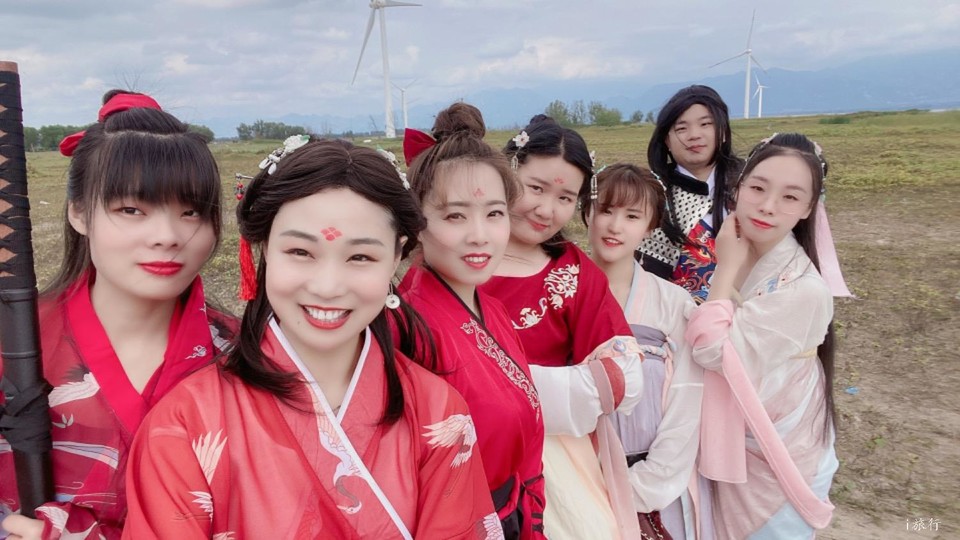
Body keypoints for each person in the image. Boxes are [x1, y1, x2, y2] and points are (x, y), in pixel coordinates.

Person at [122, 138, 502, 539]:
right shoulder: (185, 422)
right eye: (301, 252)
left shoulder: (438, 411)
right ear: (264, 248)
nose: (327, 286)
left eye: (360, 257)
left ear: (397, 255)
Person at [0, 90, 236, 540]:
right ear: (79, 213)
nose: (167, 236)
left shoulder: (245, 354)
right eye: (131, 210)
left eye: (190, 212)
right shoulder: (13, 341)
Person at [481, 115, 643, 540]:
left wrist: (502, 391)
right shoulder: (458, 259)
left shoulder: (573, 272)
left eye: (565, 197)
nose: (546, 210)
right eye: (535, 188)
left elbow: (625, 374)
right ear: (506, 174)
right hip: (461, 453)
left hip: (554, 462)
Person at [398, 103, 545, 539]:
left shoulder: (492, 309)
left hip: (513, 513)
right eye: (455, 215)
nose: (480, 235)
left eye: (494, 213)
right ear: (416, 222)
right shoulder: (407, 328)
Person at [686, 133, 839, 538]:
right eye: (758, 188)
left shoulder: (804, 290)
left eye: (790, 197)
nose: (768, 206)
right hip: (737, 433)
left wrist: (724, 270)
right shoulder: (730, 244)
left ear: (809, 208)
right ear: (738, 188)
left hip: (778, 455)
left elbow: (712, 351)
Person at [581, 163, 705, 539]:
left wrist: (645, 485)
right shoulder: (560, 296)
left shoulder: (673, 302)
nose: (615, 226)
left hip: (657, 486)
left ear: (650, 226)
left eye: (632, 216)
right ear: (586, 212)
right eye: (606, 210)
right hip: (579, 483)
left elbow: (687, 400)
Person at [637, 85, 742, 304]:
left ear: (723, 131)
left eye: (706, 124)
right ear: (666, 140)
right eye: (681, 128)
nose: (694, 135)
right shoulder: (652, 195)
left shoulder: (751, 184)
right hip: (678, 316)